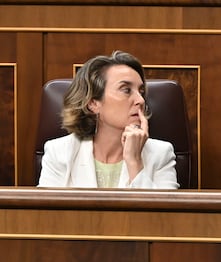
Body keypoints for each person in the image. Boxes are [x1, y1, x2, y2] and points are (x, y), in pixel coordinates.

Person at [38, 50, 179, 189]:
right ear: (93, 103)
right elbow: (44, 212)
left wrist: (135, 162)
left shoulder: (161, 154)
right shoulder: (59, 152)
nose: (141, 100)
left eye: (141, 92)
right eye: (126, 90)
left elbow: (163, 212)